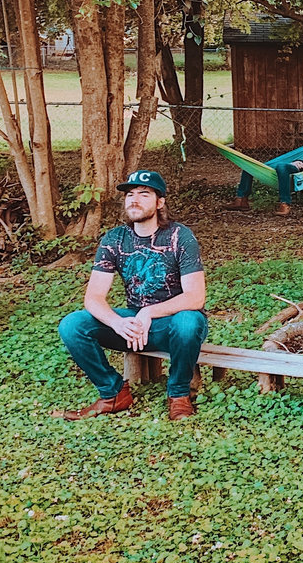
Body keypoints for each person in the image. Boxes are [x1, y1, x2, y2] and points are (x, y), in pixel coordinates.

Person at [57, 170, 208, 422]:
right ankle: (113, 393)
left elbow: (195, 297)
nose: (134, 200)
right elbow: (93, 297)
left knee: (188, 321)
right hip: (134, 326)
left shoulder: (180, 236)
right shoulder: (115, 239)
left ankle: (179, 395)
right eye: (130, 194)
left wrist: (149, 312)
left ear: (160, 202)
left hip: (172, 325)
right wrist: (117, 322)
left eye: (144, 194)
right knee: (73, 325)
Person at [227, 140, 303, 215]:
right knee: (249, 167)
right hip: (281, 168)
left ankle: (285, 203)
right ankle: (241, 200)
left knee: (281, 166)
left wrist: (302, 165)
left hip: (291, 170)